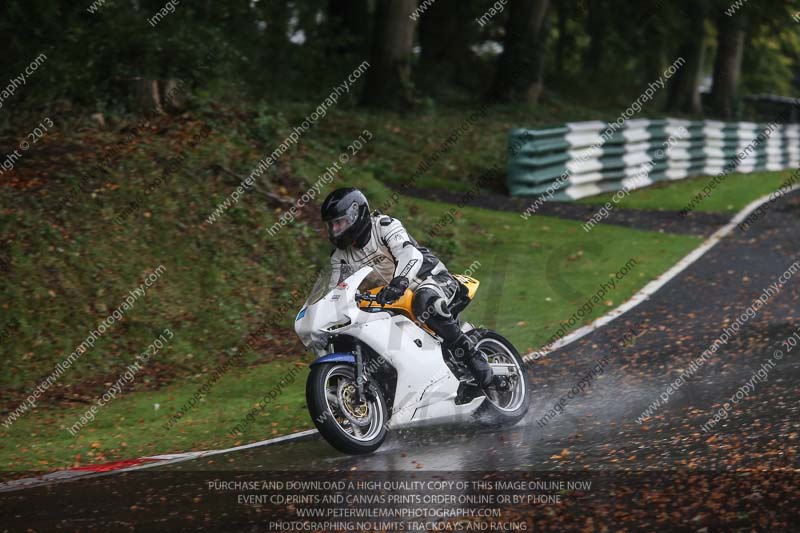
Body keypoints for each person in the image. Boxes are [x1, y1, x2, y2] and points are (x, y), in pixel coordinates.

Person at [320, 187, 493, 388]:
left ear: (355, 215)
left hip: (429, 279)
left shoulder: (384, 226)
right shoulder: (339, 257)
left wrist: (400, 281)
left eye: (339, 223)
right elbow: (336, 291)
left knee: (426, 301)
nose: (335, 230)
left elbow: (410, 255)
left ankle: (472, 356)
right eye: (331, 225)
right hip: (388, 299)